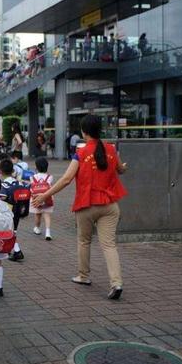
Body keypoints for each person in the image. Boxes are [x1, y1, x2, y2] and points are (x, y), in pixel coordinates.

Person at [32, 114, 127, 300]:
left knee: (84, 241)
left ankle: (83, 276)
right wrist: (124, 166)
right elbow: (120, 170)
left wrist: (44, 195)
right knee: (109, 245)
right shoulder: (111, 149)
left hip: (86, 205)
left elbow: (67, 179)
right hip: (110, 205)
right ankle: (116, 283)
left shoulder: (81, 153)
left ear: (84, 132)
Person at [0, 159, 25, 262]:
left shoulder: (4, 185)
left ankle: (17, 251)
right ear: (13, 170)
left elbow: (2, 198)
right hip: (19, 210)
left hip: (8, 212)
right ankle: (11, 249)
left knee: (9, 231)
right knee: (12, 230)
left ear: (0, 171)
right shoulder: (19, 182)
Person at [29, 157, 54, 240]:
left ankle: (37, 228)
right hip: (47, 197)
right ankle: (48, 232)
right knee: (47, 215)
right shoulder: (50, 177)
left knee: (38, 214)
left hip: (36, 198)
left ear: (36, 167)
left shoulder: (32, 177)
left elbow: (31, 187)